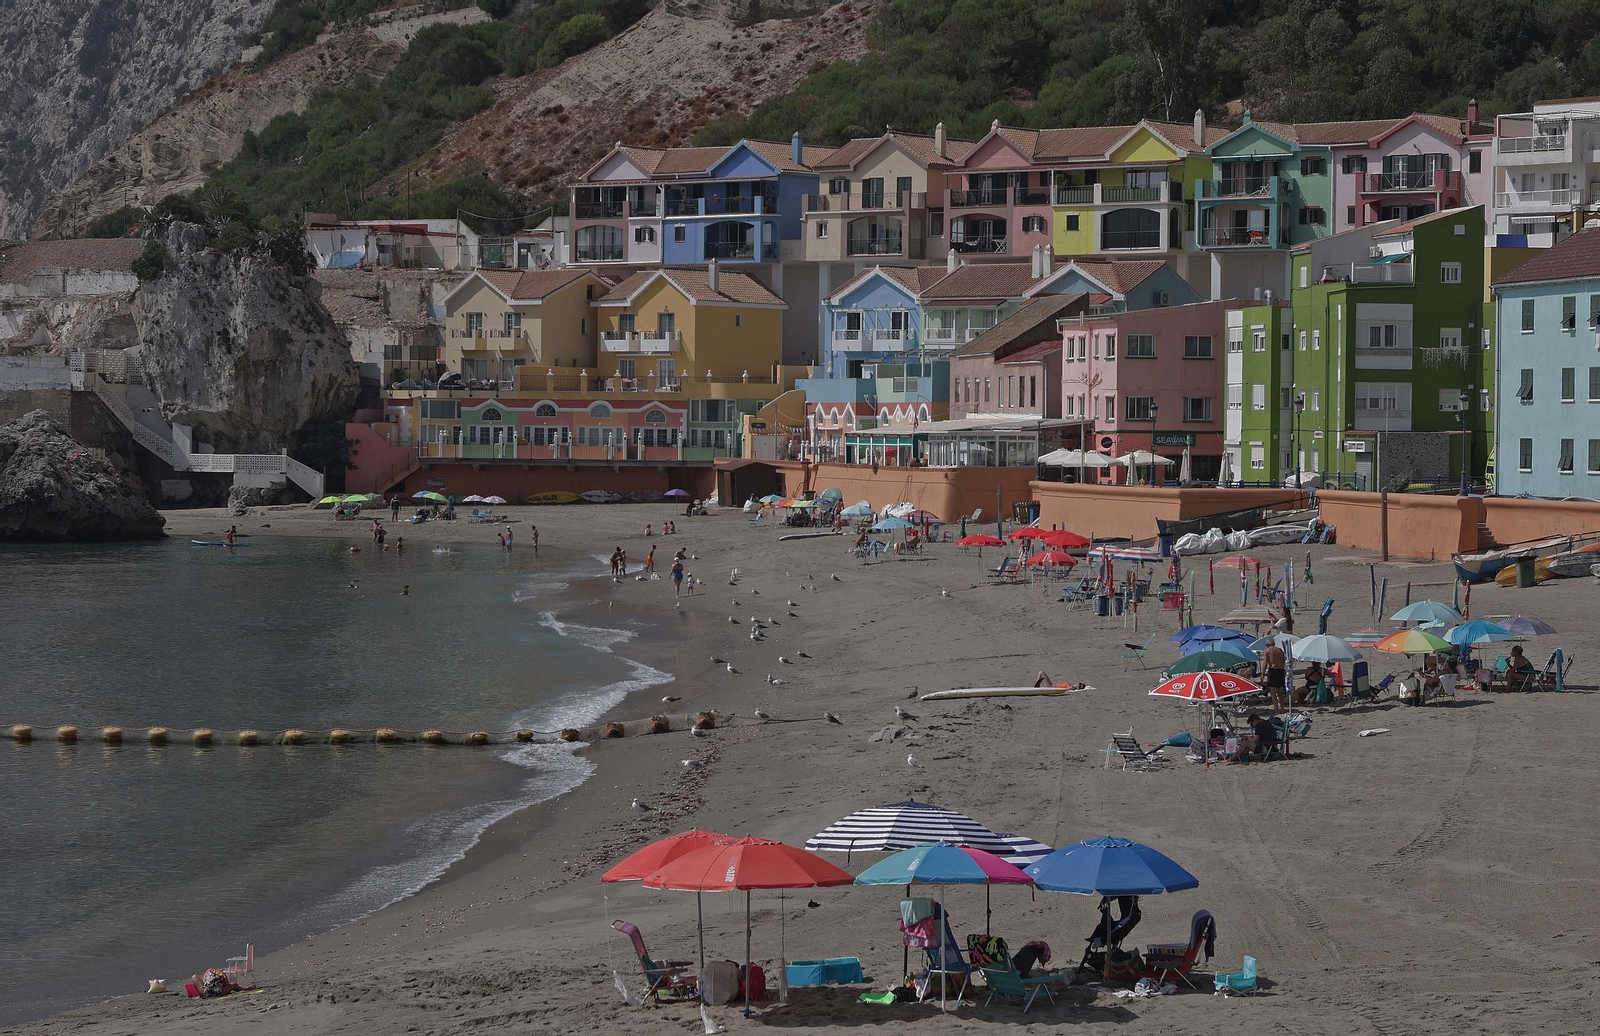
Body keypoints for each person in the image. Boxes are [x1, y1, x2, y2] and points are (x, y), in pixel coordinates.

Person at [1261, 641, 1287, 711]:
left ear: (1267, 645)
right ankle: (1282, 708)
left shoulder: (1267, 651)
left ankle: (1276, 709)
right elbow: (1284, 661)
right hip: (1281, 670)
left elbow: (1265, 663)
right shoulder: (1280, 650)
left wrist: (1262, 675)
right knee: (1280, 691)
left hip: (1273, 670)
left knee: (1273, 692)